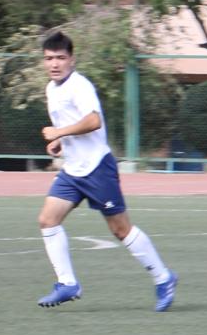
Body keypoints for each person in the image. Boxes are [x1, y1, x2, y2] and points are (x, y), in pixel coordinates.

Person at [34, 32, 178, 311]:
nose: (54, 64)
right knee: (47, 220)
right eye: (49, 58)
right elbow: (73, 123)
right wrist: (61, 142)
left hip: (97, 168)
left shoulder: (80, 86)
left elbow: (93, 121)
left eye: (60, 58)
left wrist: (59, 132)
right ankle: (67, 284)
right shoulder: (52, 88)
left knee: (120, 230)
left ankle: (164, 278)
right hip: (73, 171)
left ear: (72, 59)